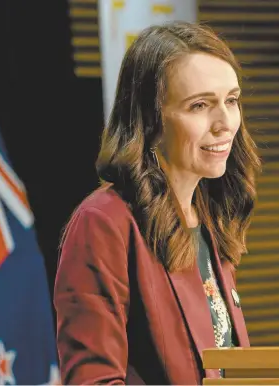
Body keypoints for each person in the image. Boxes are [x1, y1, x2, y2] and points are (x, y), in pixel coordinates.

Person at [53, 21, 261, 384]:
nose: (225, 122)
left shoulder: (209, 217)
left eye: (231, 100)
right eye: (199, 105)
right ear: (150, 120)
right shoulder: (103, 223)